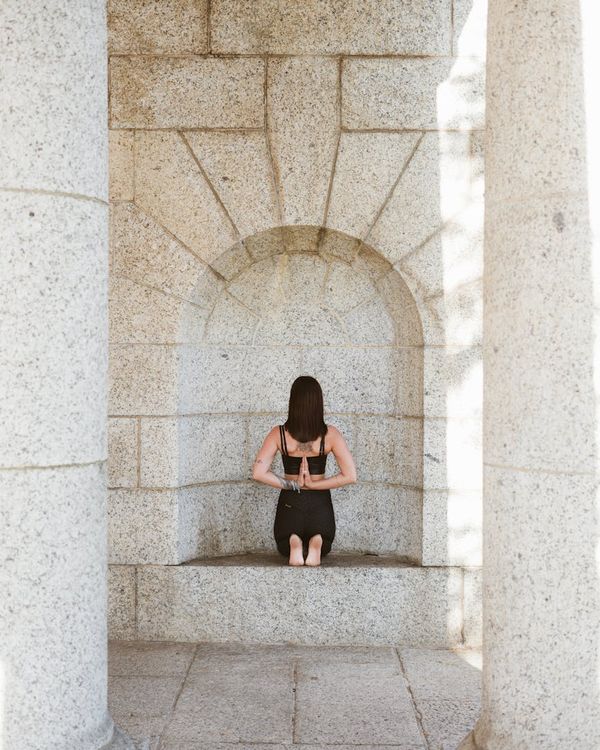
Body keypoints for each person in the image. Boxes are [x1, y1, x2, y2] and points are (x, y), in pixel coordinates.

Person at [251, 375, 357, 566]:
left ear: (293, 402)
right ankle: (317, 541)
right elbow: (350, 475)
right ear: (318, 403)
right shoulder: (331, 435)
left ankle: (294, 542)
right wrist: (314, 484)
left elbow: (258, 472)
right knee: (324, 541)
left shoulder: (279, 434)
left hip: (291, 503)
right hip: (320, 505)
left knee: (284, 542)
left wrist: (292, 484)